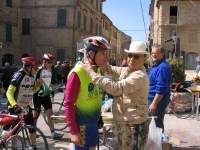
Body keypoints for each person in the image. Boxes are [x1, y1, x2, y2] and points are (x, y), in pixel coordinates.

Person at [81, 41, 150, 150]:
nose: (132, 59)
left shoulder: (139, 76)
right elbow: (112, 69)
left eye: (136, 56)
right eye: (130, 55)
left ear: (144, 59)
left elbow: (116, 88)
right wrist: (102, 61)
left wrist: (91, 73)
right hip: (125, 124)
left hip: (133, 126)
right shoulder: (128, 70)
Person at [64, 36, 111, 150]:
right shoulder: (78, 72)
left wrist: (99, 116)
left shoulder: (97, 70)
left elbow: (96, 95)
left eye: (106, 53)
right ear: (91, 54)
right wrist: (73, 132)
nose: (106, 57)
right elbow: (68, 104)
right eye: (103, 53)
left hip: (93, 124)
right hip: (82, 126)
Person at [5, 56, 39, 149]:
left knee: (32, 128)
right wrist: (14, 105)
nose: (36, 70)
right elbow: (9, 92)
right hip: (15, 106)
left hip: (26, 106)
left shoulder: (32, 77)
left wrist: (38, 86)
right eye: (35, 68)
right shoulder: (19, 75)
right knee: (14, 130)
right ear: (28, 67)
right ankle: (12, 146)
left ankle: (34, 146)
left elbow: (32, 90)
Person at [33, 53, 63, 139]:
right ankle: (33, 131)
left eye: (52, 62)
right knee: (36, 115)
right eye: (49, 62)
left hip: (46, 95)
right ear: (44, 62)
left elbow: (49, 83)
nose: (51, 64)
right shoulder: (39, 70)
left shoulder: (50, 70)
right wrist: (39, 85)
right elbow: (35, 85)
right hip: (37, 96)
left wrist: (53, 88)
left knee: (50, 113)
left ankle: (53, 133)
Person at [148, 44, 172, 132]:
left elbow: (161, 89)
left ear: (162, 54)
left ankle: (158, 144)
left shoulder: (162, 67)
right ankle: (156, 143)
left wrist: (154, 103)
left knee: (156, 125)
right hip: (153, 99)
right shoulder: (156, 65)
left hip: (157, 101)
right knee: (154, 124)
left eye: (156, 53)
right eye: (152, 53)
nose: (153, 55)